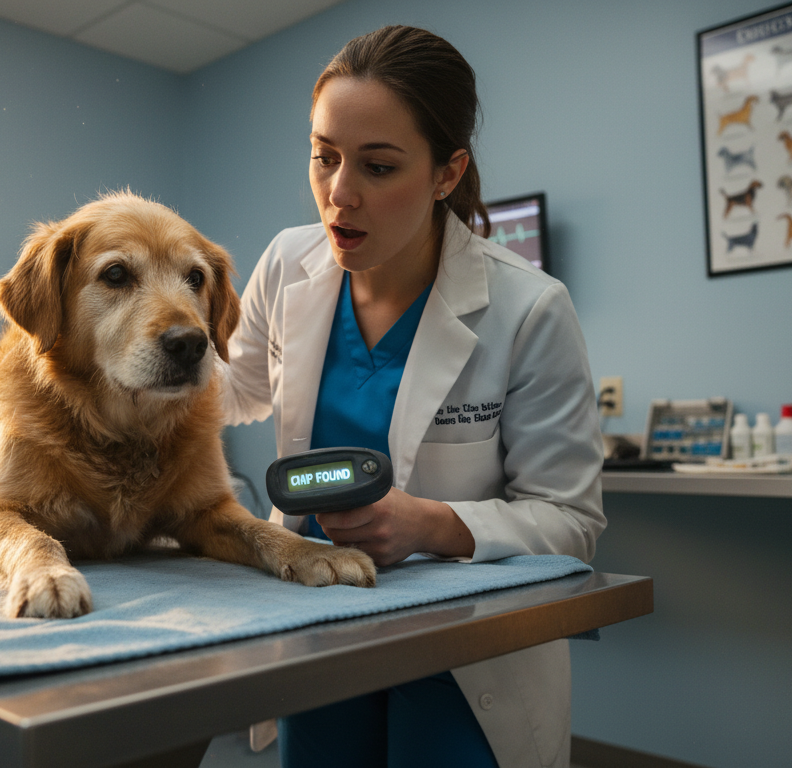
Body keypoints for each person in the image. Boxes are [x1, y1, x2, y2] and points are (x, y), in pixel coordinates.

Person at [220, 25, 605, 768]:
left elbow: (571, 521)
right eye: (324, 156)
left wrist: (429, 525)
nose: (340, 194)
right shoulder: (285, 263)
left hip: (463, 649)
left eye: (378, 165)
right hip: (320, 617)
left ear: (445, 173)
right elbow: (231, 393)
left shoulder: (528, 308)